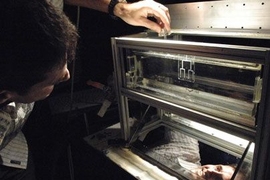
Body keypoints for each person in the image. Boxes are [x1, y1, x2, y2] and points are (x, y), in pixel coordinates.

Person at [0, 0, 170, 179]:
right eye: (53, 82)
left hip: (16, 151)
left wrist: (120, 8)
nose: (67, 75)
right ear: (6, 95)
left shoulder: (21, 18)